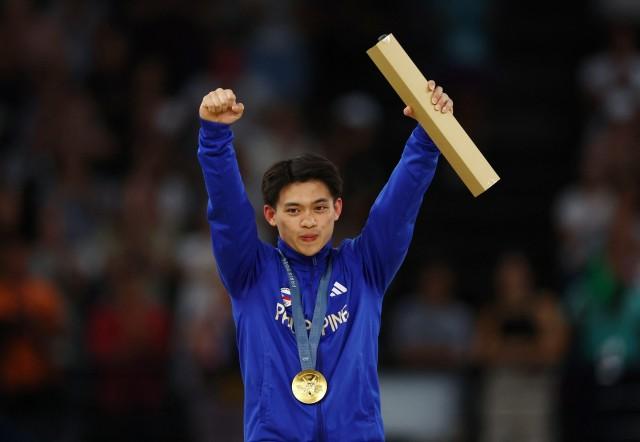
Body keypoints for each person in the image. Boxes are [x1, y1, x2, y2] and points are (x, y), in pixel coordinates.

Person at [197, 81, 452, 441]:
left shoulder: (365, 267)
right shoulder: (250, 272)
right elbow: (227, 212)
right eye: (293, 210)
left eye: (319, 208)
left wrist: (426, 139)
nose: (308, 221)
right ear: (271, 215)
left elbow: (399, 208)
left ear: (337, 209)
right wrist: (214, 137)